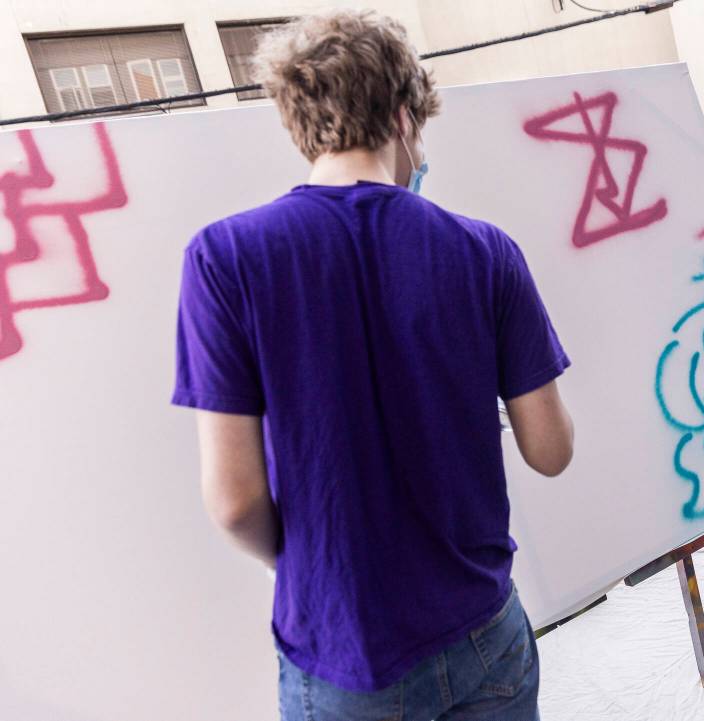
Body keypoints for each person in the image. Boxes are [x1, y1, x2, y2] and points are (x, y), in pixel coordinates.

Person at [172, 10, 574, 721]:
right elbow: (551, 449)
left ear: (298, 122)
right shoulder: (485, 252)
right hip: (484, 630)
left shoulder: (226, 258)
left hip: (344, 651)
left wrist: (309, 563)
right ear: (403, 115)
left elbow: (233, 501)